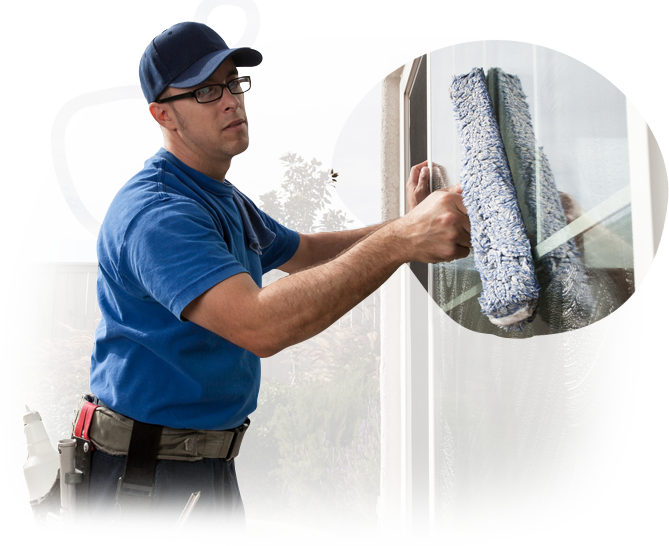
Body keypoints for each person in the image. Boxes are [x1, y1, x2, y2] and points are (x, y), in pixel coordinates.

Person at [81, 21, 471, 546]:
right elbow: (258, 325)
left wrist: (408, 221)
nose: (229, 101)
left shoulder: (220, 197)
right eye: (205, 91)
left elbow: (305, 252)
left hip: (206, 469)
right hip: (149, 479)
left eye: (232, 82)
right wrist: (403, 240)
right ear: (163, 114)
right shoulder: (157, 213)